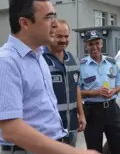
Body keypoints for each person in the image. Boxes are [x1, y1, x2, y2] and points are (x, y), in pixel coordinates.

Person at [0, 0, 97, 154]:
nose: (55, 23)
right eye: (48, 17)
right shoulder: (7, 61)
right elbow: (11, 129)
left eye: (54, 15)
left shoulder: (38, 57)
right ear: (24, 23)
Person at [79, 30, 120, 154]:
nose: (94, 47)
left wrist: (114, 90)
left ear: (102, 44)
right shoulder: (81, 66)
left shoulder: (111, 63)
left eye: (97, 43)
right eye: (91, 44)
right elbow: (76, 91)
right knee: (94, 149)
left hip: (112, 110)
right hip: (92, 112)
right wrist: (94, 92)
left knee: (118, 147)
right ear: (86, 45)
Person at [42, 19, 86, 147]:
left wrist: (81, 114)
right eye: (59, 36)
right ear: (50, 35)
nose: (63, 40)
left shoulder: (73, 59)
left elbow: (76, 87)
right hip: (49, 127)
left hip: (71, 124)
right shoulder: (40, 60)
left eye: (66, 36)